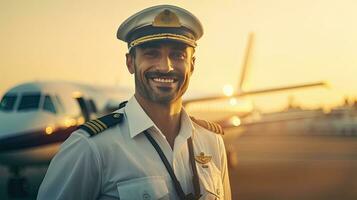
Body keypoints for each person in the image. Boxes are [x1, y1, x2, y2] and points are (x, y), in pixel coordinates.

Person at [37, 4, 231, 200]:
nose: (166, 67)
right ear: (130, 63)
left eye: (178, 55)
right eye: (151, 53)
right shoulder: (90, 148)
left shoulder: (212, 141)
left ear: (192, 65)